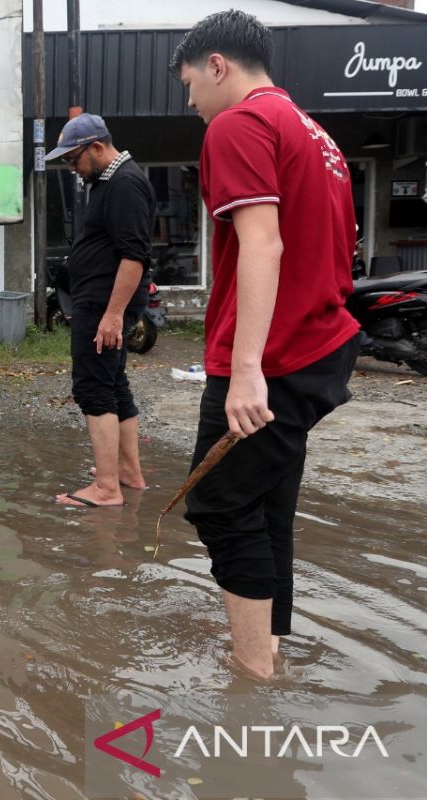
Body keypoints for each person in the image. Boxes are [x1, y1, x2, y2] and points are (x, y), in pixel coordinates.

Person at [170, 10, 361, 679]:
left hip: (275, 356)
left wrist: (246, 368)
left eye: (191, 83)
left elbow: (263, 241)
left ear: (217, 65)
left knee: (218, 506)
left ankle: (253, 675)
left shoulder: (240, 123)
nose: (190, 101)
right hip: (319, 343)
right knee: (265, 504)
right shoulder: (316, 134)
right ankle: (269, 649)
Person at [45, 115, 153, 508]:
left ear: (96, 147)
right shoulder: (112, 181)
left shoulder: (124, 184)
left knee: (93, 386)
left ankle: (107, 488)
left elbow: (134, 255)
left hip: (104, 303)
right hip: (101, 299)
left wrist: (112, 314)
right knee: (113, 383)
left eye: (74, 159)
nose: (72, 168)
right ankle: (127, 473)